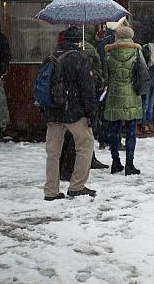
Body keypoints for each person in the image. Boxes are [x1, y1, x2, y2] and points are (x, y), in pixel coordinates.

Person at [43, 26, 98, 200]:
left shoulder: (53, 56)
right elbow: (87, 89)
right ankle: (77, 186)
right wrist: (92, 113)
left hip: (53, 110)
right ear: (78, 41)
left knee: (53, 152)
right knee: (86, 145)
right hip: (73, 111)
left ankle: (51, 191)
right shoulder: (78, 58)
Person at [59, 34, 107, 181]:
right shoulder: (81, 58)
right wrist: (91, 111)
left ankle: (59, 176)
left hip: (61, 103)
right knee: (83, 141)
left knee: (62, 142)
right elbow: (86, 87)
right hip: (76, 105)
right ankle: (75, 180)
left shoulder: (58, 55)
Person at [104, 25, 143, 175]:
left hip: (114, 96)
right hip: (132, 95)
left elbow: (105, 77)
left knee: (114, 132)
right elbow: (142, 74)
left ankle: (115, 162)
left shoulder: (108, 52)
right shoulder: (137, 52)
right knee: (131, 132)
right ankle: (129, 165)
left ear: (117, 36)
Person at [139, 42, 154, 134]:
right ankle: (144, 123)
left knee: (149, 106)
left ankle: (149, 122)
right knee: (146, 105)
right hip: (147, 86)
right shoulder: (145, 64)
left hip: (152, 85)